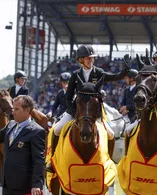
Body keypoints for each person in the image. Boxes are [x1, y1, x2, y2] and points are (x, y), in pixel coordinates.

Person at [46, 45, 131, 173]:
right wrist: (74, 112)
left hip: (94, 112)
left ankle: (108, 160)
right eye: (87, 58)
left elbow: (115, 77)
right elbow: (68, 97)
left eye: (92, 58)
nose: (90, 60)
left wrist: (126, 70)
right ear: (80, 60)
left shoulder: (99, 72)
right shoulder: (75, 75)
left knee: (111, 134)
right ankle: (54, 160)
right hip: (77, 110)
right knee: (56, 130)